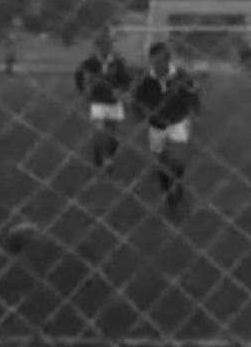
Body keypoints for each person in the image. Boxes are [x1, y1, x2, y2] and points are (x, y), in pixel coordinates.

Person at [131, 42, 203, 215]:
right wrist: (139, 112)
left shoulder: (180, 75)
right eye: (154, 60)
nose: (158, 64)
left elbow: (194, 93)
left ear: (168, 60)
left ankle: (178, 187)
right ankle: (170, 197)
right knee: (162, 163)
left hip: (178, 121)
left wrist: (195, 105)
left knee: (177, 160)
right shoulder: (146, 79)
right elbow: (137, 99)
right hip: (156, 124)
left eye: (162, 60)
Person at [74, 35, 132, 175]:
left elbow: (126, 79)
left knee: (112, 133)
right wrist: (83, 90)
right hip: (98, 100)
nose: (107, 48)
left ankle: (108, 158)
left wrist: (122, 89)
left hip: (113, 101)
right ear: (98, 47)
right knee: (100, 131)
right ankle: (101, 156)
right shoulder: (91, 62)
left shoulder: (118, 62)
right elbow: (78, 73)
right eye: (103, 45)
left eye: (109, 45)